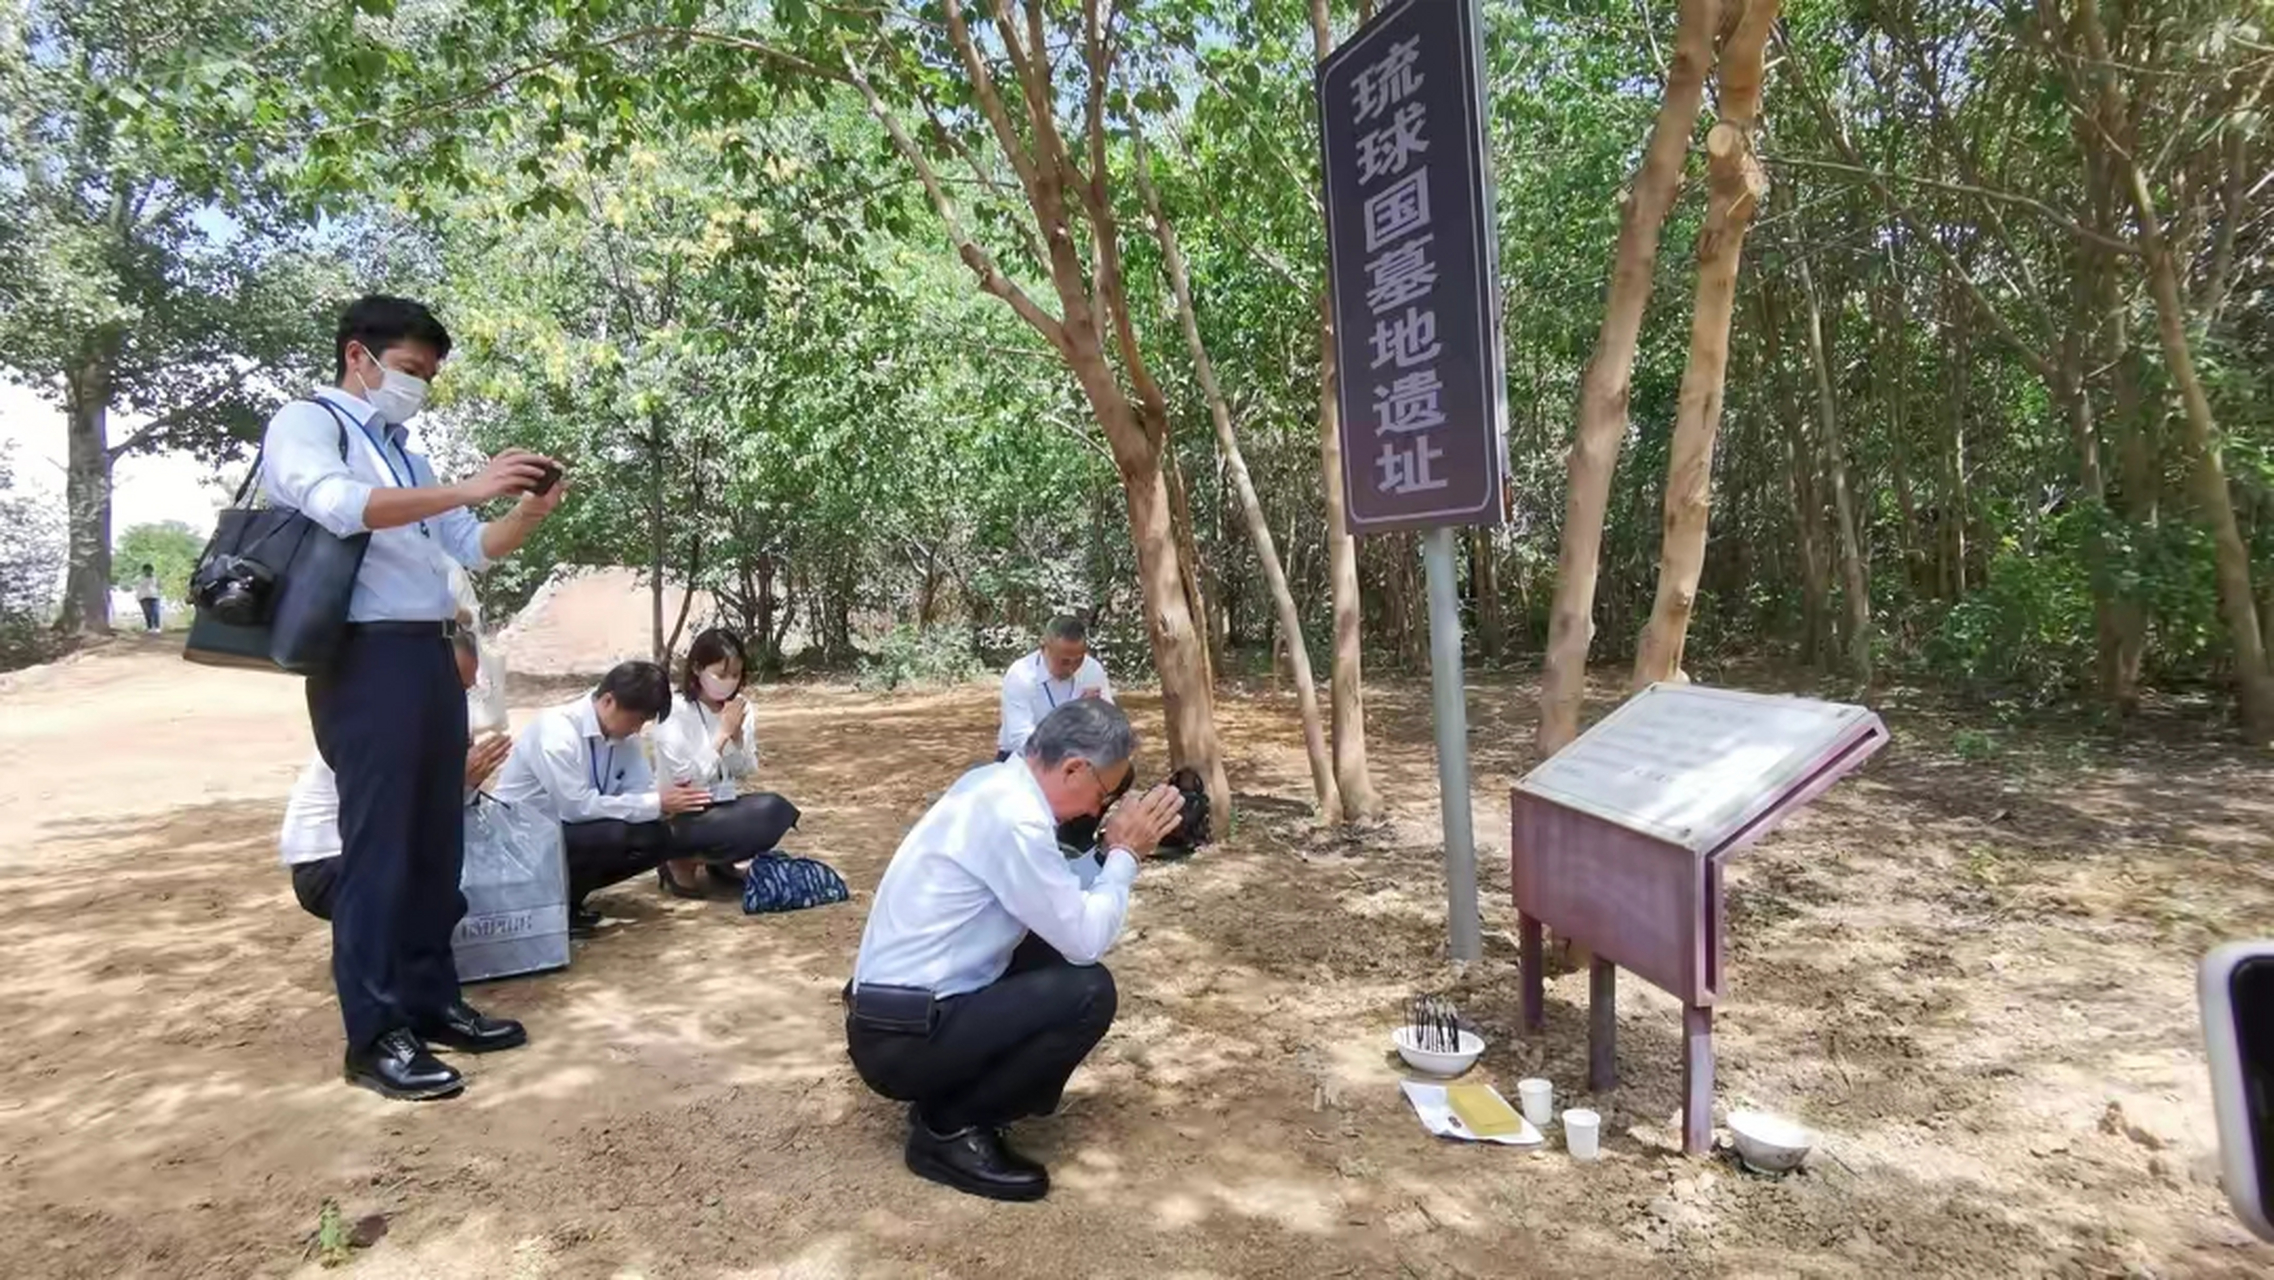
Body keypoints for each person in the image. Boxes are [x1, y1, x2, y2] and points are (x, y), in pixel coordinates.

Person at [260, 293, 565, 1102]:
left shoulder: (405, 454)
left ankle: (433, 1000)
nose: (418, 388)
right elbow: (334, 504)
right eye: (409, 371)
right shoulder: (307, 424)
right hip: (364, 659)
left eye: (427, 376)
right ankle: (375, 1033)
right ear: (358, 356)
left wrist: (525, 509)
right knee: (380, 851)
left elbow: (474, 549)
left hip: (431, 656)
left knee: (439, 840)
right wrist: (470, 486)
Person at [846, 699, 1186, 1202]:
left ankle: (952, 1096)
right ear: (1074, 768)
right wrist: (1125, 855)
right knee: (1090, 991)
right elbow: (1087, 939)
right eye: (1105, 793)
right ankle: (948, 1128)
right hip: (901, 1040)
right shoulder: (1016, 819)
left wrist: (1102, 855)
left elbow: (1056, 900)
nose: (1100, 809)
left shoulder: (992, 786)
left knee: (1056, 959)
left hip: (898, 1020)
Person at [280, 633, 512, 920]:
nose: (466, 693)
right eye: (457, 685)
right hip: (328, 862)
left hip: (376, 852)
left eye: (466, 687)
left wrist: (466, 785)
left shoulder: (439, 720)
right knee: (430, 892)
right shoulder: (384, 721)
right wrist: (454, 781)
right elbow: (392, 816)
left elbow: (439, 816)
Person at [489, 660, 726, 931]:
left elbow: (641, 792)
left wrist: (668, 802)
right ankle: (547, 905)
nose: (638, 729)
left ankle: (568, 901)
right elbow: (575, 808)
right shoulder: (556, 731)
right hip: (520, 841)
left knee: (657, 837)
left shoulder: (624, 738)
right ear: (608, 701)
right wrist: (655, 802)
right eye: (636, 719)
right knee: (613, 835)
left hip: (563, 836)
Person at [646, 627, 803, 898]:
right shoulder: (675, 711)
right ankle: (679, 861)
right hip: (681, 814)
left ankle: (718, 861)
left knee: (774, 809)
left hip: (722, 807)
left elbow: (745, 771)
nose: (729, 682)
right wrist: (721, 735)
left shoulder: (740, 708)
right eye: (720, 674)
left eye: (736, 674)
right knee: (710, 818)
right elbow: (688, 779)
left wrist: (737, 739)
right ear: (697, 668)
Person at [996, 616, 1113, 764]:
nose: (1072, 668)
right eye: (1064, 661)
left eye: (1079, 660)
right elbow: (1020, 737)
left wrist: (1094, 712)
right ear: (1043, 648)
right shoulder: (1021, 674)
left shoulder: (1092, 669)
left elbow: (1108, 725)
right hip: (1024, 758)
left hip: (1077, 760)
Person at [133, 563, 162, 633]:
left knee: (156, 612)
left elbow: (160, 586)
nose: (148, 571)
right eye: (146, 570)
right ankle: (149, 627)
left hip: (154, 597)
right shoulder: (140, 579)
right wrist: (138, 597)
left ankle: (157, 627)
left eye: (150, 570)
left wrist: (158, 593)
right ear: (144, 571)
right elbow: (138, 588)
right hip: (144, 598)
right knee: (147, 613)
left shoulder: (156, 578)